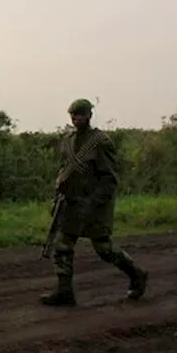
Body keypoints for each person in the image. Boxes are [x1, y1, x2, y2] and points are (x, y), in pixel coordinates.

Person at [41, 99, 148, 307]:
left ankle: (137, 274)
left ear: (89, 115)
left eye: (80, 114)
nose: (76, 118)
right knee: (62, 246)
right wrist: (57, 198)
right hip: (71, 203)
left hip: (94, 204)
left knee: (103, 249)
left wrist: (95, 203)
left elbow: (109, 178)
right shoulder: (68, 141)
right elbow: (63, 170)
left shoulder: (100, 141)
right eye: (73, 115)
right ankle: (65, 292)